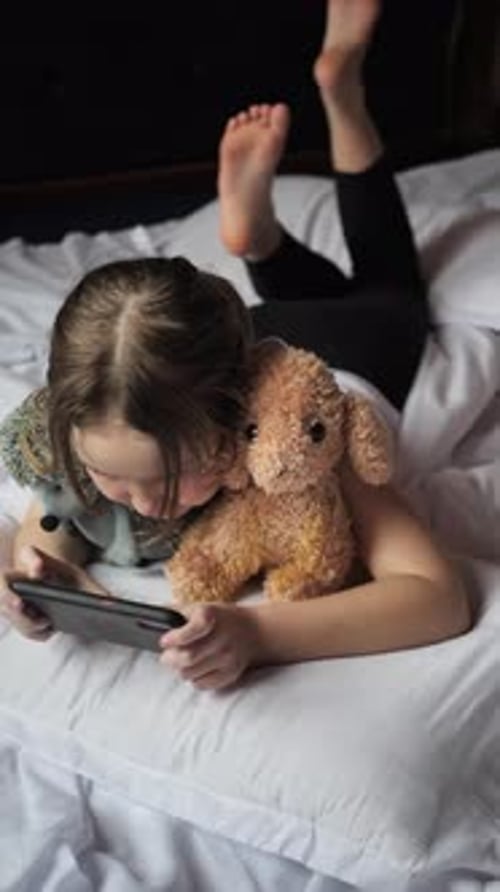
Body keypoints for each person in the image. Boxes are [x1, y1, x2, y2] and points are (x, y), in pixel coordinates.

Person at [0, 0, 470, 689]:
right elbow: (49, 526)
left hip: (358, 341)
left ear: (235, 415)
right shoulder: (98, 420)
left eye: (167, 477)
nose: (141, 503)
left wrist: (258, 632)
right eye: (113, 476)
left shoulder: (292, 443)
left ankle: (343, 94)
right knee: (316, 281)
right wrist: (41, 581)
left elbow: (436, 594)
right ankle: (262, 242)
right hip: (262, 316)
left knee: (391, 284)